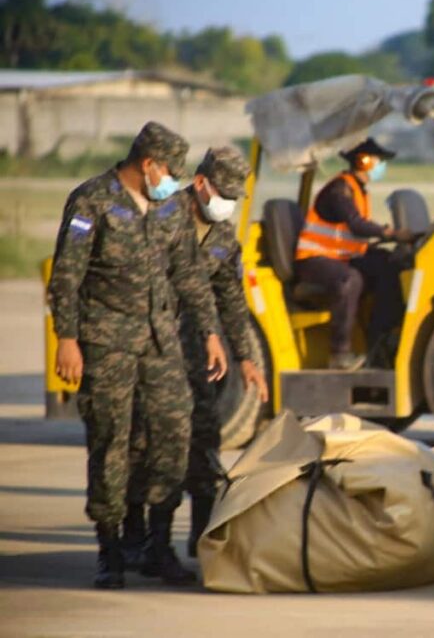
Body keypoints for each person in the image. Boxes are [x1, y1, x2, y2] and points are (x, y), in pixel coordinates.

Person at [48, 122, 228, 589]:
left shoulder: (169, 208)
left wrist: (210, 331)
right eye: (171, 170)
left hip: (160, 342)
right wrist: (66, 339)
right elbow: (67, 276)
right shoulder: (91, 201)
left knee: (173, 433)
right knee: (112, 441)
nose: (175, 180)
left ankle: (157, 543)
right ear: (148, 164)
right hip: (106, 344)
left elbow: (189, 272)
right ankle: (111, 549)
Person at [121, 147, 270, 575]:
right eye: (223, 192)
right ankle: (143, 542)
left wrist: (245, 356)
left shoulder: (222, 237)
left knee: (203, 441)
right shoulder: (160, 219)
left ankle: (203, 542)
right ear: (201, 183)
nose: (227, 202)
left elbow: (231, 300)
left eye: (234, 197)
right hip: (148, 352)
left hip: (198, 360)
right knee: (144, 446)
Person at [293, 138, 413, 370]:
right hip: (314, 260)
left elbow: (352, 236)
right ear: (364, 160)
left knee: (389, 266)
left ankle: (380, 340)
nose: (381, 165)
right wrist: (392, 233)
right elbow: (356, 225)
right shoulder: (340, 190)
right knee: (349, 280)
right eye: (379, 160)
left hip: (338, 257)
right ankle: (339, 354)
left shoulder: (358, 190)